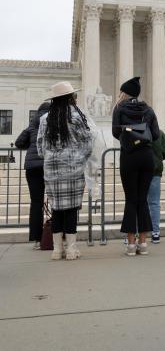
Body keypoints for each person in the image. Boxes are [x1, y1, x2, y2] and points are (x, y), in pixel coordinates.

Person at [37, 82, 93, 260]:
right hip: (73, 168)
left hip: (51, 170)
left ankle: (57, 250)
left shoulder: (45, 119)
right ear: (70, 97)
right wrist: (80, 158)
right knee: (71, 210)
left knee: (57, 209)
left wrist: (50, 158)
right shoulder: (76, 116)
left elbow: (40, 147)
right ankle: (71, 249)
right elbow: (87, 142)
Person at [112, 77, 159, 256]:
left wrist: (129, 137)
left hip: (129, 156)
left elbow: (115, 132)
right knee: (143, 200)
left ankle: (131, 245)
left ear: (124, 93)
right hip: (147, 156)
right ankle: (143, 243)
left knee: (131, 199)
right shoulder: (148, 109)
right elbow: (155, 134)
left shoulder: (119, 108)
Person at [15, 102, 50, 249]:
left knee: (36, 202)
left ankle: (36, 239)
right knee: (55, 200)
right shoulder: (51, 123)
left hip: (32, 168)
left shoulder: (31, 125)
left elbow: (18, 143)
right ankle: (56, 236)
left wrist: (30, 146)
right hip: (49, 165)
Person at [148, 130, 165, 243]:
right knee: (154, 202)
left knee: (137, 202)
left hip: (138, 170)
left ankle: (135, 233)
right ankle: (155, 232)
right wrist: (159, 157)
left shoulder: (134, 131)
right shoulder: (159, 133)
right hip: (154, 170)